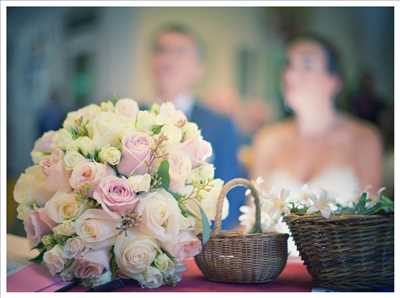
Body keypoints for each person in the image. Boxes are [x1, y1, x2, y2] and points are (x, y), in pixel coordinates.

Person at [251, 34, 384, 206]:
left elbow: (371, 218)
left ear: (334, 81)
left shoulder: (364, 139)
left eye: (307, 65)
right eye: (289, 65)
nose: (290, 75)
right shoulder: (267, 139)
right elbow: (254, 217)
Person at [151, 24, 246, 229]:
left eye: (180, 52)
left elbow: (231, 196)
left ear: (199, 69)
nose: (168, 59)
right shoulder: (129, 119)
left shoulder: (220, 125)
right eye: (161, 50)